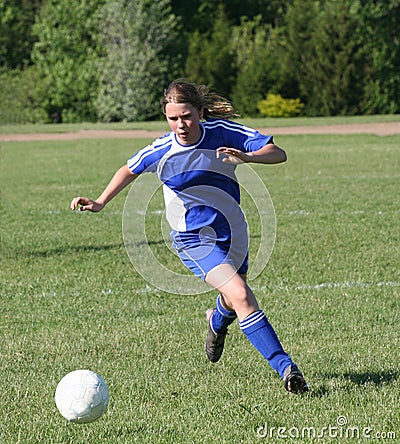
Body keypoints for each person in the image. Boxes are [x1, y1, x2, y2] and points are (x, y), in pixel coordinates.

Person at [70, 79, 308, 394]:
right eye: (173, 118)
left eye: (186, 116)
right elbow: (129, 169)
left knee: (233, 298)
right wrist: (100, 201)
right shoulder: (162, 150)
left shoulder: (223, 133)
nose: (181, 125)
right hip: (193, 239)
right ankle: (287, 369)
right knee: (241, 295)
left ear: (199, 111)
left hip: (232, 231)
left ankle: (215, 323)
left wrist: (248, 158)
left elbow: (277, 153)